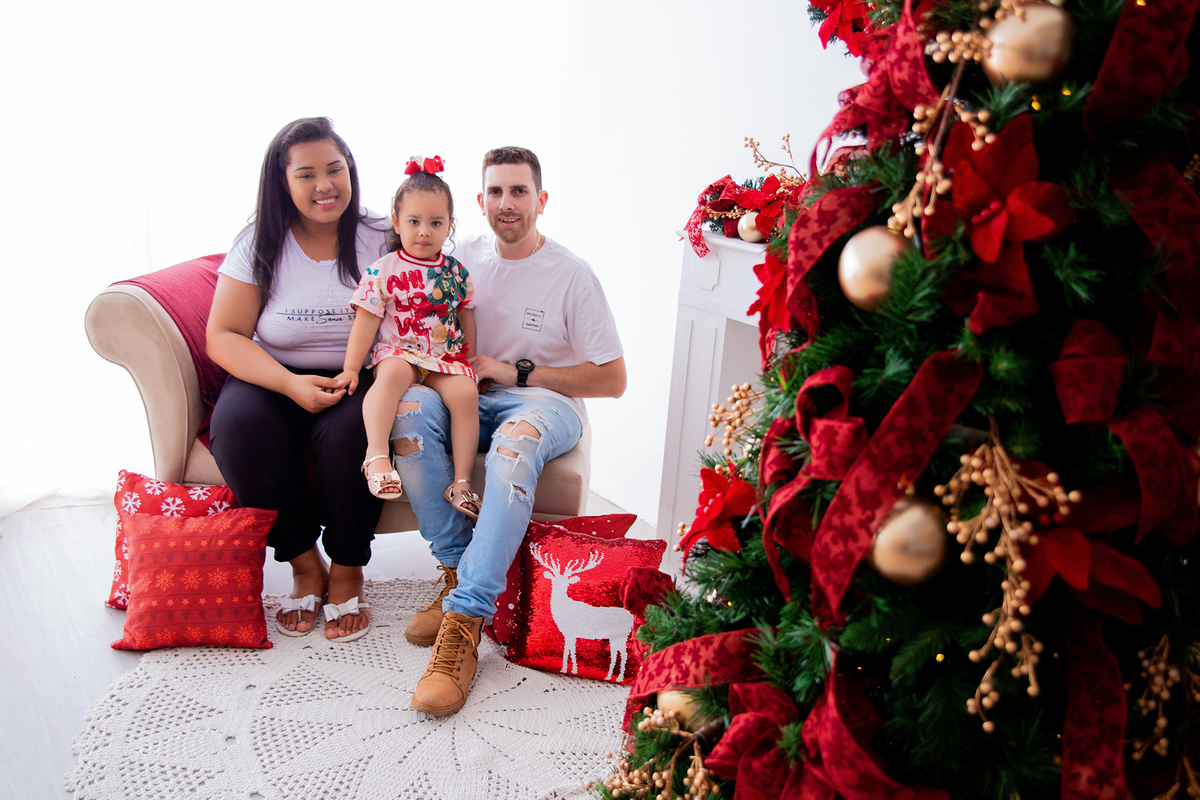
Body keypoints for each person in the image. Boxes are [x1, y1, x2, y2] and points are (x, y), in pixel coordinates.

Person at [391, 147, 626, 716]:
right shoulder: (461, 256)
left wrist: (517, 370)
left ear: (541, 200)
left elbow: (614, 379)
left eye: (519, 191)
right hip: (466, 393)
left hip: (545, 403)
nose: (507, 203)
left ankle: (465, 619)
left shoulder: (572, 275)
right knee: (408, 413)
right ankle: (454, 569)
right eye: (495, 192)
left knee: (513, 449)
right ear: (478, 202)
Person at [206, 117, 390, 643]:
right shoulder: (259, 241)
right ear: (283, 183)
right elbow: (222, 336)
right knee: (238, 431)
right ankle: (305, 564)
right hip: (276, 373)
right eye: (307, 174)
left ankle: (349, 569)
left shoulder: (383, 235)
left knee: (352, 438)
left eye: (335, 170)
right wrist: (288, 384)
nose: (324, 185)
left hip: (364, 374)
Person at [338, 157, 481, 519]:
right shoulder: (383, 270)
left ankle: (462, 482)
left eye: (436, 223)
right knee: (392, 376)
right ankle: (376, 457)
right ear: (396, 220)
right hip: (399, 351)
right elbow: (367, 320)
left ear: (450, 225)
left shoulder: (454, 272)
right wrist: (352, 368)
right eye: (414, 222)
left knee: (466, 394)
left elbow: (466, 314)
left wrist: (470, 357)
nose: (424, 232)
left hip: (442, 358)